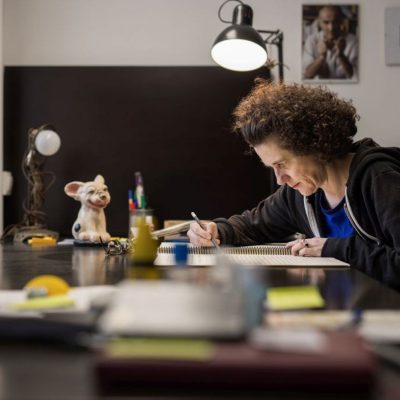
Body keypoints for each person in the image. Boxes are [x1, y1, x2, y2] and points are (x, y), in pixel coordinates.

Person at [187, 80, 400, 290]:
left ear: (315, 145)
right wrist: (217, 231)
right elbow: (251, 226)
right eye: (272, 168)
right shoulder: (299, 195)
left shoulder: (380, 179)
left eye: (282, 164)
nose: (280, 179)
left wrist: (335, 248)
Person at [302, 5, 358, 80]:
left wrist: (341, 55)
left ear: (341, 22)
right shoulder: (311, 40)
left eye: (335, 22)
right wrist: (321, 57)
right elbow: (308, 75)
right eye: (326, 22)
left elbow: (353, 75)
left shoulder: (353, 41)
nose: (331, 28)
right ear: (319, 22)